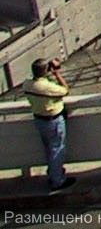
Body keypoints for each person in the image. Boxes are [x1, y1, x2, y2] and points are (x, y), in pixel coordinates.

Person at [23, 56, 73, 192]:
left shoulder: (27, 84)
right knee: (57, 150)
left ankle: (53, 174)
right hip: (53, 121)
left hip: (39, 120)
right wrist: (56, 73)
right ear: (46, 71)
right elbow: (65, 90)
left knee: (49, 150)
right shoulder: (46, 86)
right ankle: (58, 181)